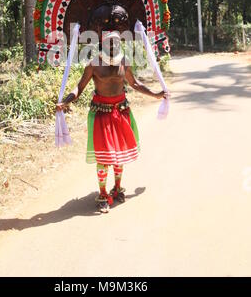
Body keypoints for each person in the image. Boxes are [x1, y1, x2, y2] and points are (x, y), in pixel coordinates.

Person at [56, 30, 168, 213]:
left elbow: (135, 84)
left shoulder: (124, 62)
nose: (114, 45)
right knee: (104, 156)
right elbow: (80, 87)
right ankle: (102, 194)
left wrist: (156, 95)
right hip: (101, 113)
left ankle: (117, 189)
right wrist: (66, 101)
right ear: (103, 45)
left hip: (121, 111)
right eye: (110, 43)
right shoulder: (94, 64)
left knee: (119, 154)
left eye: (117, 42)